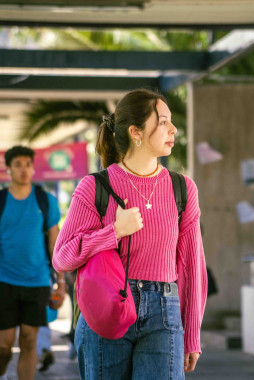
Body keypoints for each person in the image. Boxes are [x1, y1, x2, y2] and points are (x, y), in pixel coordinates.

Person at [53, 88, 208, 380]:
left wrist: (193, 333)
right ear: (136, 132)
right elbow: (62, 258)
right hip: (106, 308)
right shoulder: (94, 187)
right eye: (163, 122)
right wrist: (113, 232)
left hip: (164, 311)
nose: (173, 129)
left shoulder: (183, 189)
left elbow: (192, 266)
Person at [0, 146, 65, 380]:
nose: (24, 169)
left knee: (29, 340)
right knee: (3, 345)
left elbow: (54, 245)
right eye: (18, 164)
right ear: (8, 169)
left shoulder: (45, 201)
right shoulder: (1, 201)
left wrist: (60, 282)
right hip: (4, 281)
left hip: (36, 282)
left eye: (28, 164)